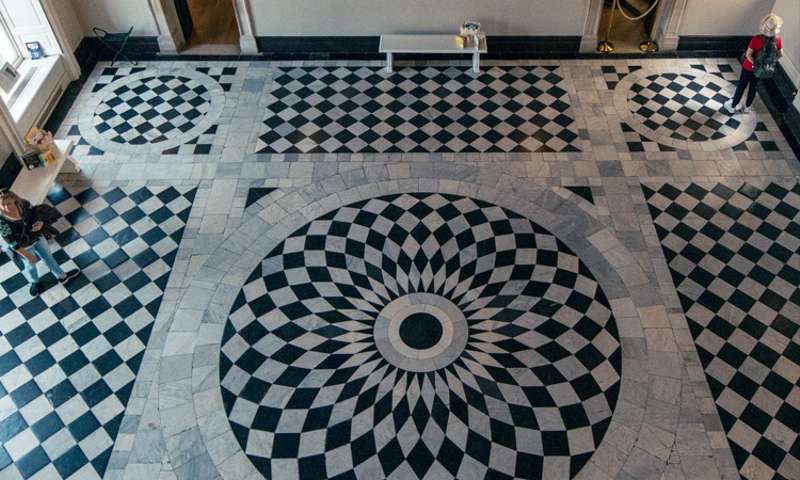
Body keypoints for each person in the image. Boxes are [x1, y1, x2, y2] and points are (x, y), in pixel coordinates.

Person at [0, 189, 79, 296]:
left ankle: (62, 276)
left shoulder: (24, 204)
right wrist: (27, 255)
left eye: (8, 203)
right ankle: (34, 282)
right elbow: (11, 242)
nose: (5, 207)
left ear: (14, 200)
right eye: (2, 205)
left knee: (48, 257)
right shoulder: (1, 221)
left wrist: (40, 223)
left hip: (37, 237)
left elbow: (37, 214)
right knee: (30, 266)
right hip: (23, 246)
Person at [725, 14, 784, 114]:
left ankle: (733, 106)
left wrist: (755, 64)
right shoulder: (778, 40)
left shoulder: (757, 39)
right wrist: (768, 62)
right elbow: (781, 53)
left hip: (749, 67)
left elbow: (748, 55)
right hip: (761, 70)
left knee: (741, 86)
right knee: (753, 87)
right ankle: (747, 107)